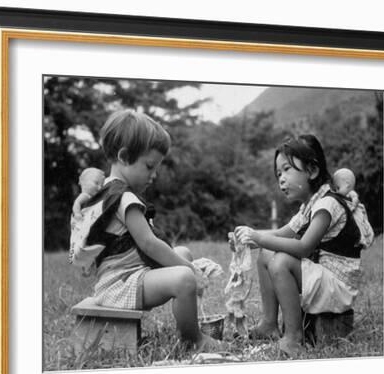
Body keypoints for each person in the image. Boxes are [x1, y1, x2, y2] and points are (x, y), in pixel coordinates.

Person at [71, 109, 219, 350]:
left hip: (126, 276)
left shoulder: (107, 191)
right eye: (149, 166)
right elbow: (149, 244)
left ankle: (186, 324)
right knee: (184, 277)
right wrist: (191, 270)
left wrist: (186, 263)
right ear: (124, 156)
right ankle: (193, 341)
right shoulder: (125, 199)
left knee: (183, 253)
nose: (154, 174)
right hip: (119, 285)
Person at [234, 135, 365, 356]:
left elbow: (304, 247)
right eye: (278, 174)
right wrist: (248, 239)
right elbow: (279, 234)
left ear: (312, 171)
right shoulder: (308, 206)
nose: (281, 179)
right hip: (323, 277)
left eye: (286, 169)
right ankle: (269, 324)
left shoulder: (326, 205)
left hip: (338, 285)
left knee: (281, 262)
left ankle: (293, 337)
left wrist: (258, 237)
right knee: (267, 253)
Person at [332, 168, 374, 249]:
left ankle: (361, 239)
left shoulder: (351, 193)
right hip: (351, 213)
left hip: (354, 211)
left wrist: (352, 207)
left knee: (359, 224)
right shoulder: (342, 197)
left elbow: (355, 199)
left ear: (347, 184)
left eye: (338, 188)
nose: (337, 191)